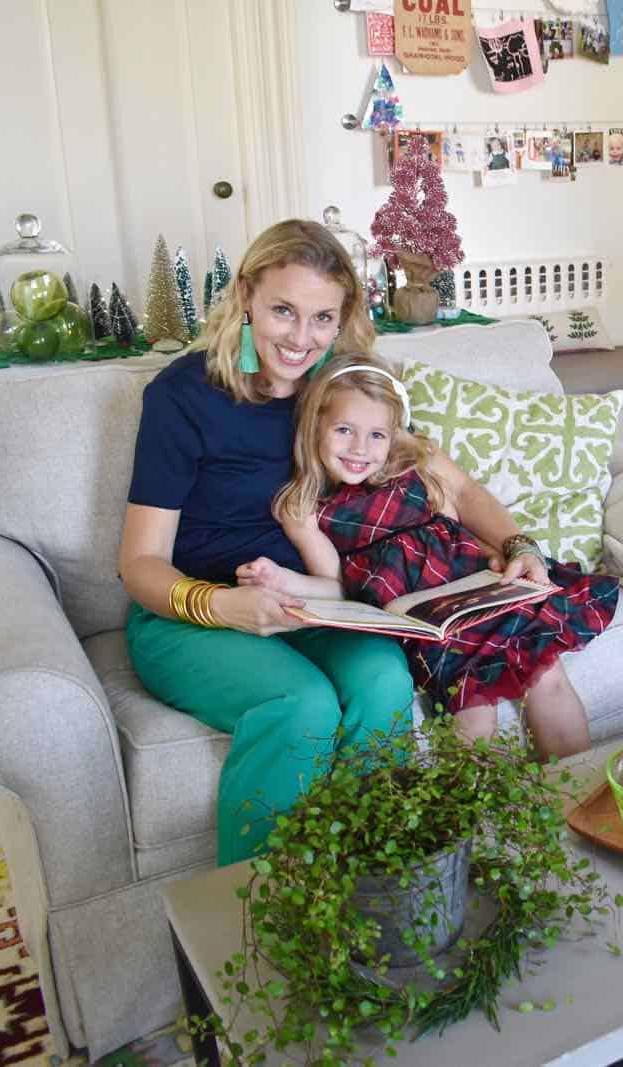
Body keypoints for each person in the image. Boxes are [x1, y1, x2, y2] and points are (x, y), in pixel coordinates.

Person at [119, 220, 415, 867]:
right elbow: (139, 565)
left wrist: (513, 542)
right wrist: (225, 606)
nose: (300, 338)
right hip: (189, 614)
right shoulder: (183, 396)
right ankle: (258, 926)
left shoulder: (338, 391)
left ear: (342, 321)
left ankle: (374, 882)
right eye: (283, 310)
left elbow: (436, 473)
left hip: (305, 603)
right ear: (247, 294)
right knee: (301, 704)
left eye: (321, 318)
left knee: (387, 681)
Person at [245, 351, 617, 758]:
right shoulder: (307, 506)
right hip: (425, 622)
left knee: (547, 675)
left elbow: (467, 502)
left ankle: (580, 800)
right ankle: (466, 820)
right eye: (344, 430)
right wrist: (280, 579)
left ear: (394, 434)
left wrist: (506, 548)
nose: (359, 448)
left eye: (376, 435)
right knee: (471, 710)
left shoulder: (414, 462)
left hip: (478, 587)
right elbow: (335, 585)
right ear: (314, 425)